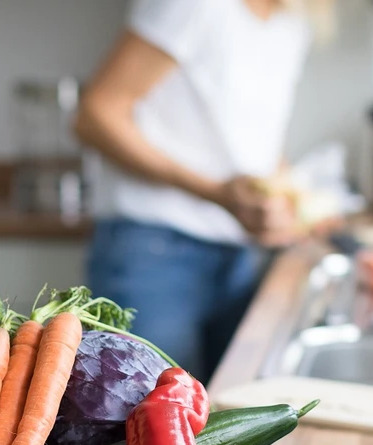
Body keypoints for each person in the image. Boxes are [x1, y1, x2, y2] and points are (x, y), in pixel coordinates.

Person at [75, 0, 331, 384]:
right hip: (152, 256)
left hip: (236, 258)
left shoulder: (293, 24)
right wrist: (216, 193)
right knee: (136, 427)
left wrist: (292, 203)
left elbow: (249, 142)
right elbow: (96, 114)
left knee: (217, 429)